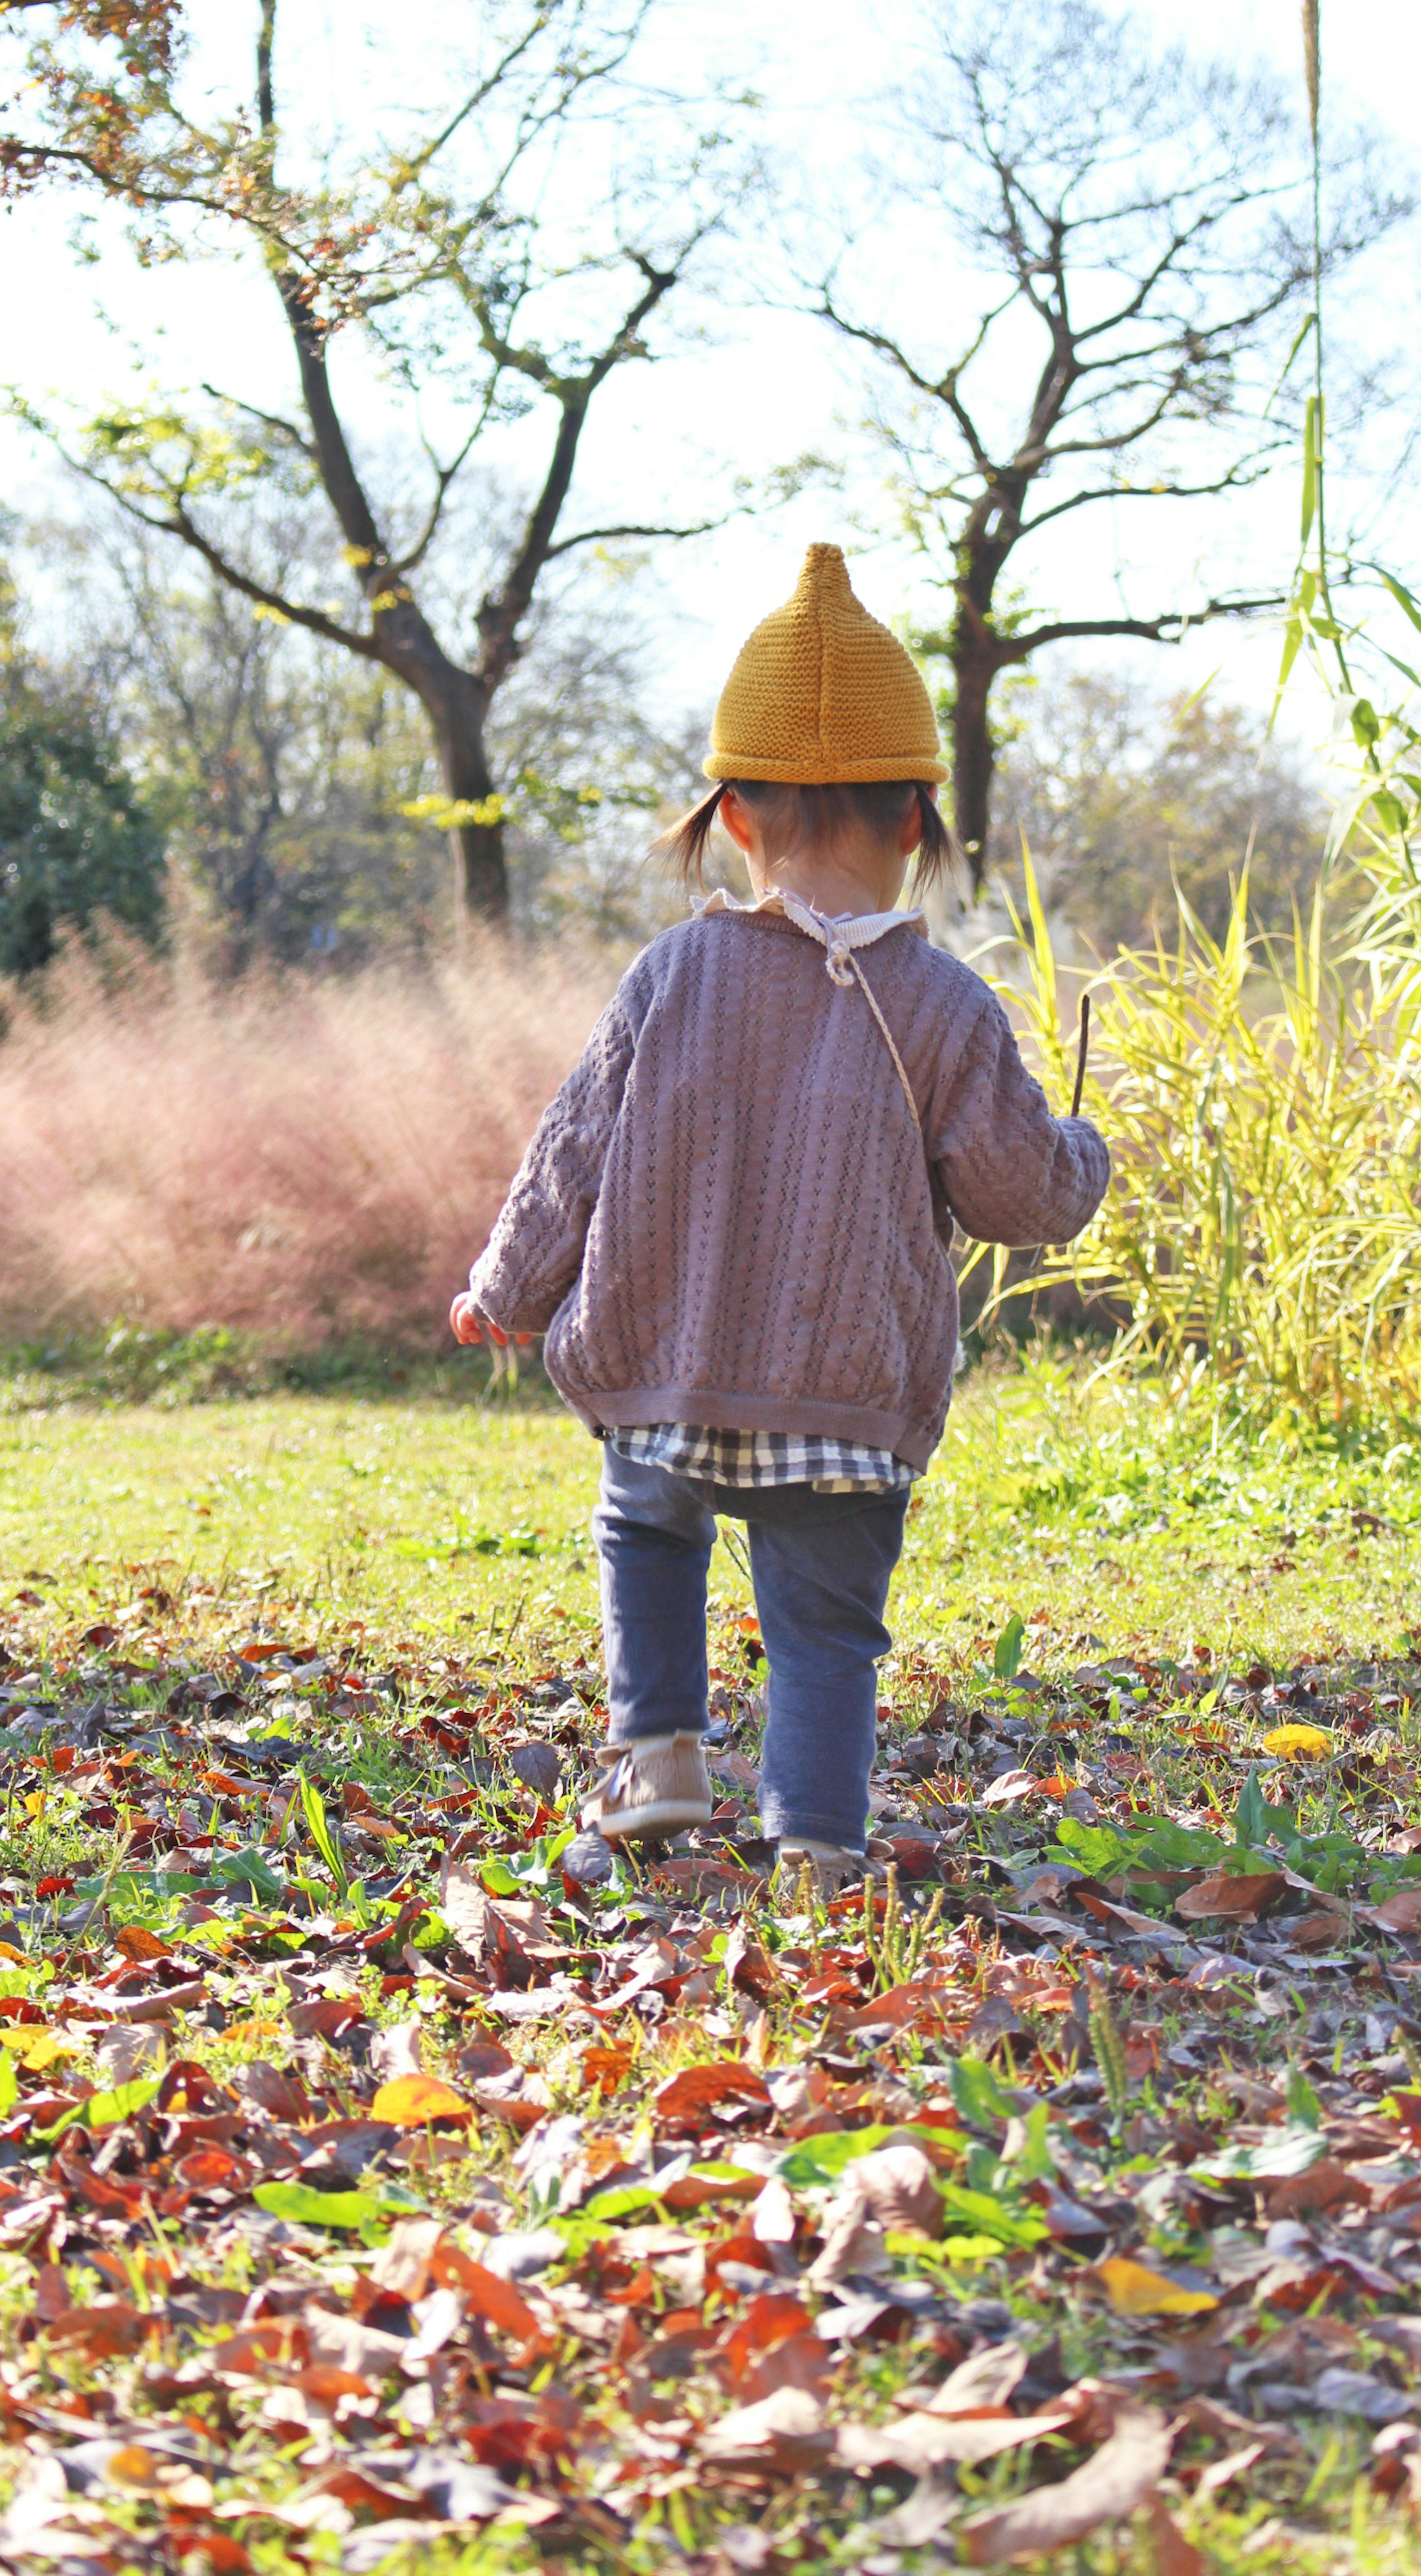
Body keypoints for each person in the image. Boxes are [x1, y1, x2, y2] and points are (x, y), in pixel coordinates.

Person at [451, 544, 1109, 1896]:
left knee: (648, 1527)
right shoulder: (943, 1005)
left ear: (735, 818)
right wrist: (1082, 1155)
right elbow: (1015, 1195)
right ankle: (816, 1842)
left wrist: (507, 1287)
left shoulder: (671, 971)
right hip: (845, 1387)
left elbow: (572, 1149)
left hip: (668, 1362)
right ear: (920, 820)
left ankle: (659, 1757)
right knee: (823, 1626)